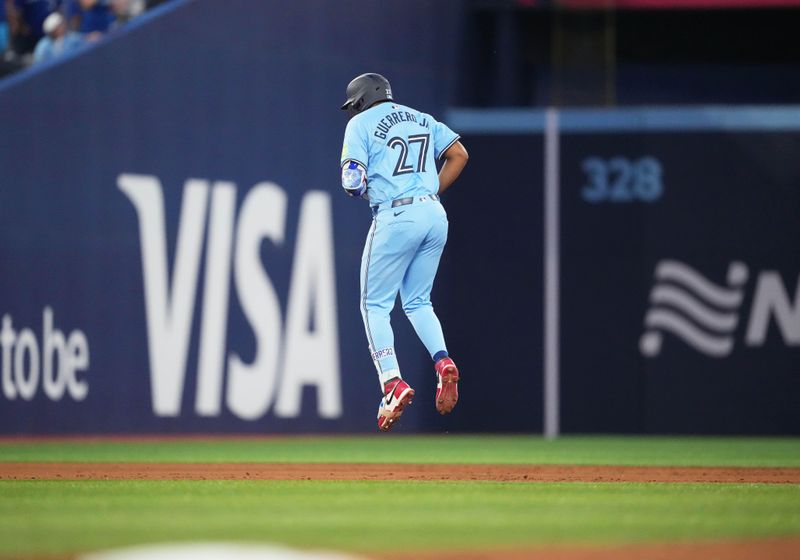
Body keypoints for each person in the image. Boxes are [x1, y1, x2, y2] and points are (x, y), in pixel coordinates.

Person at [339, 73, 469, 431]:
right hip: (434, 213)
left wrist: (366, 188)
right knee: (417, 302)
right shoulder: (421, 118)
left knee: (374, 305)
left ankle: (392, 383)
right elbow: (459, 154)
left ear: (362, 100)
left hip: (396, 214)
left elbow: (352, 180)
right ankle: (442, 361)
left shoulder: (361, 125)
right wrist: (430, 192)